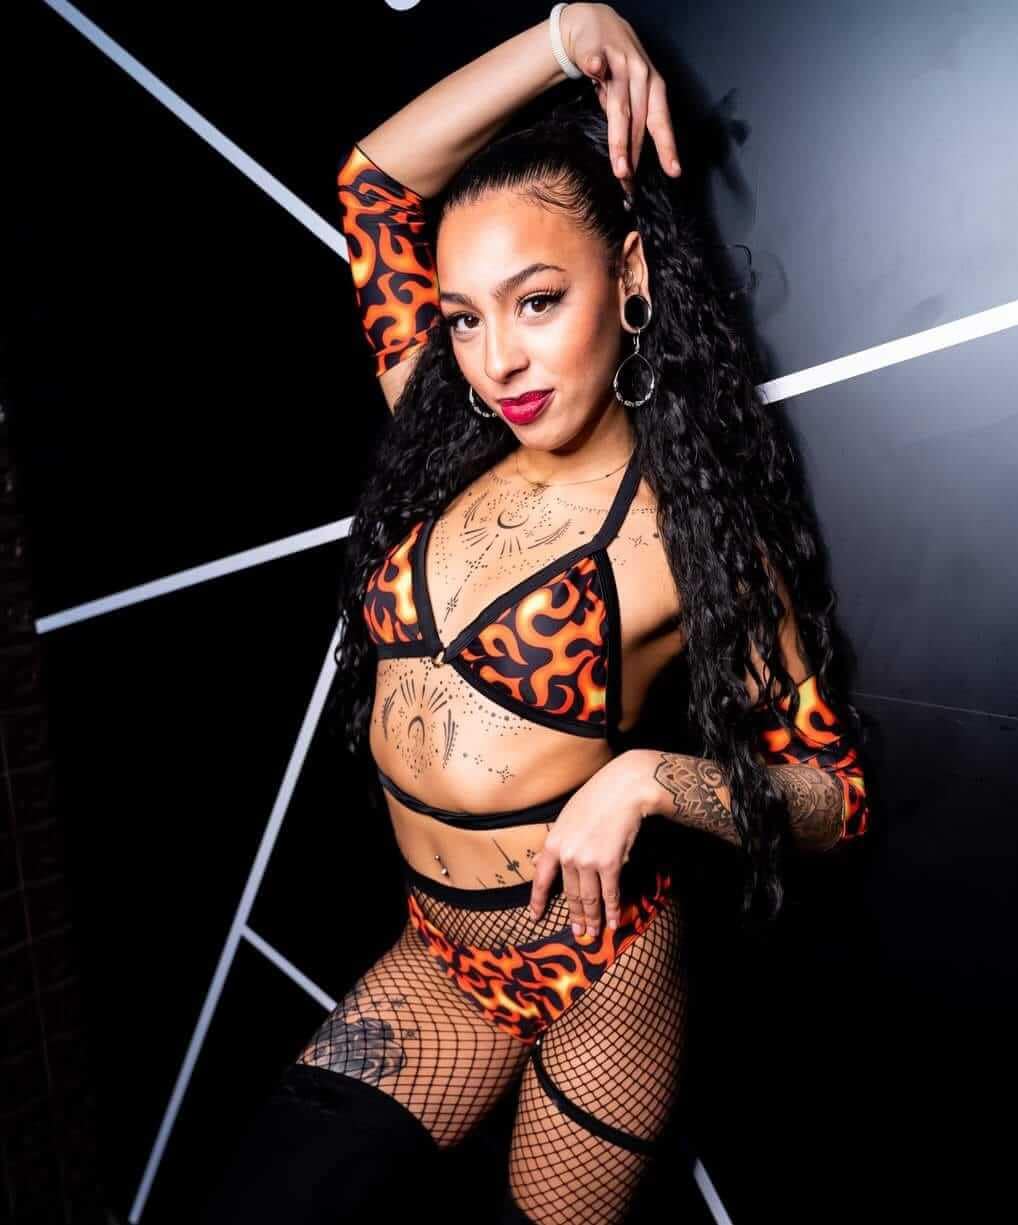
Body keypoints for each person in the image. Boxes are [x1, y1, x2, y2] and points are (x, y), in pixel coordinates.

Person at [200, 5, 871, 1223]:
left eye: (538, 300)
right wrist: (571, 33)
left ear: (631, 278)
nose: (496, 359)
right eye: (464, 315)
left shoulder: (687, 536)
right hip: (444, 957)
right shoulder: (440, 425)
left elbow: (838, 797)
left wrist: (655, 781)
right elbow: (372, 183)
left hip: (604, 975)